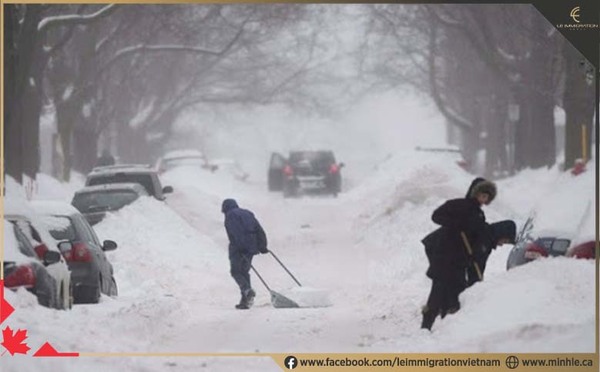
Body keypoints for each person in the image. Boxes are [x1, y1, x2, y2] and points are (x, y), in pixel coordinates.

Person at [420, 179, 497, 331]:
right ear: (475, 192)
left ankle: (449, 327)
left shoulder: (479, 215)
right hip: (444, 256)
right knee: (439, 290)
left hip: (460, 260)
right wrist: (454, 223)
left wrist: (475, 253)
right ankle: (426, 326)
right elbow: (436, 216)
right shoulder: (457, 205)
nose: (484, 199)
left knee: (457, 291)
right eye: (482, 195)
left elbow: (477, 236)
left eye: (487, 197)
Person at [221, 198, 269, 309]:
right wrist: (262, 245)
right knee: (244, 272)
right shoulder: (247, 213)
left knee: (236, 271)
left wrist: (241, 246)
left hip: (238, 248)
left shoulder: (230, 215)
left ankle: (247, 291)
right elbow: (259, 229)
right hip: (251, 247)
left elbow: (236, 232)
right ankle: (245, 301)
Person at [465, 220, 516, 287]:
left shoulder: (488, 236)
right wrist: (475, 286)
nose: (501, 244)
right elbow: (476, 265)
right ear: (501, 234)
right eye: (504, 241)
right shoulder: (485, 241)